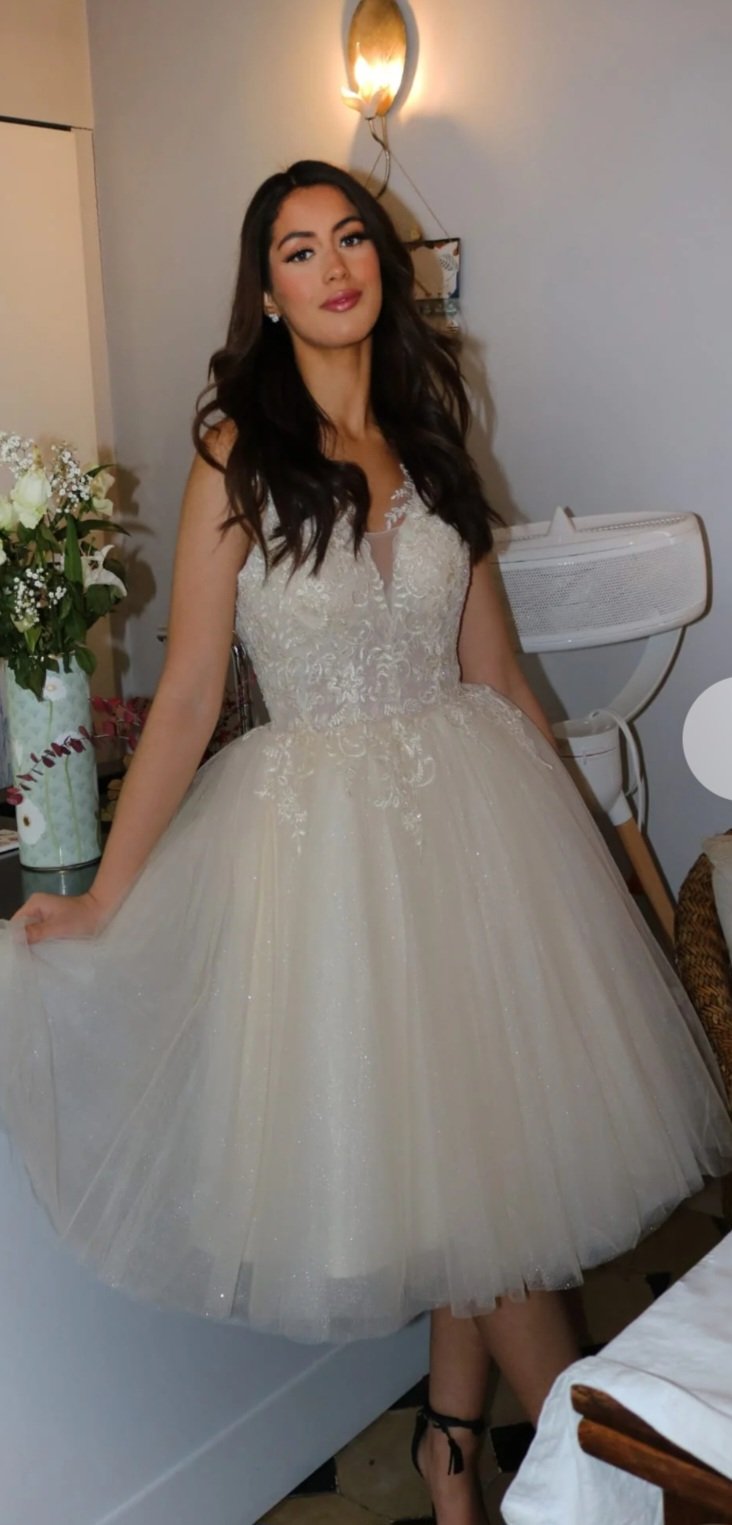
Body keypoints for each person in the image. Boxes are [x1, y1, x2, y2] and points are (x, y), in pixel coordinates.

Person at [2, 160, 731, 1525]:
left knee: (482, 1177)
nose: (333, 265)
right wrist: (100, 901)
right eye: (298, 250)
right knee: (480, 1197)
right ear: (267, 293)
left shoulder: (432, 437)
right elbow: (190, 697)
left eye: (350, 239)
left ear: (381, 269)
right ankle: (605, 1484)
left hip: (475, 836)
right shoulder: (238, 453)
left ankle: (452, 1463)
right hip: (324, 868)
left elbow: (497, 676)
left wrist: (580, 858)